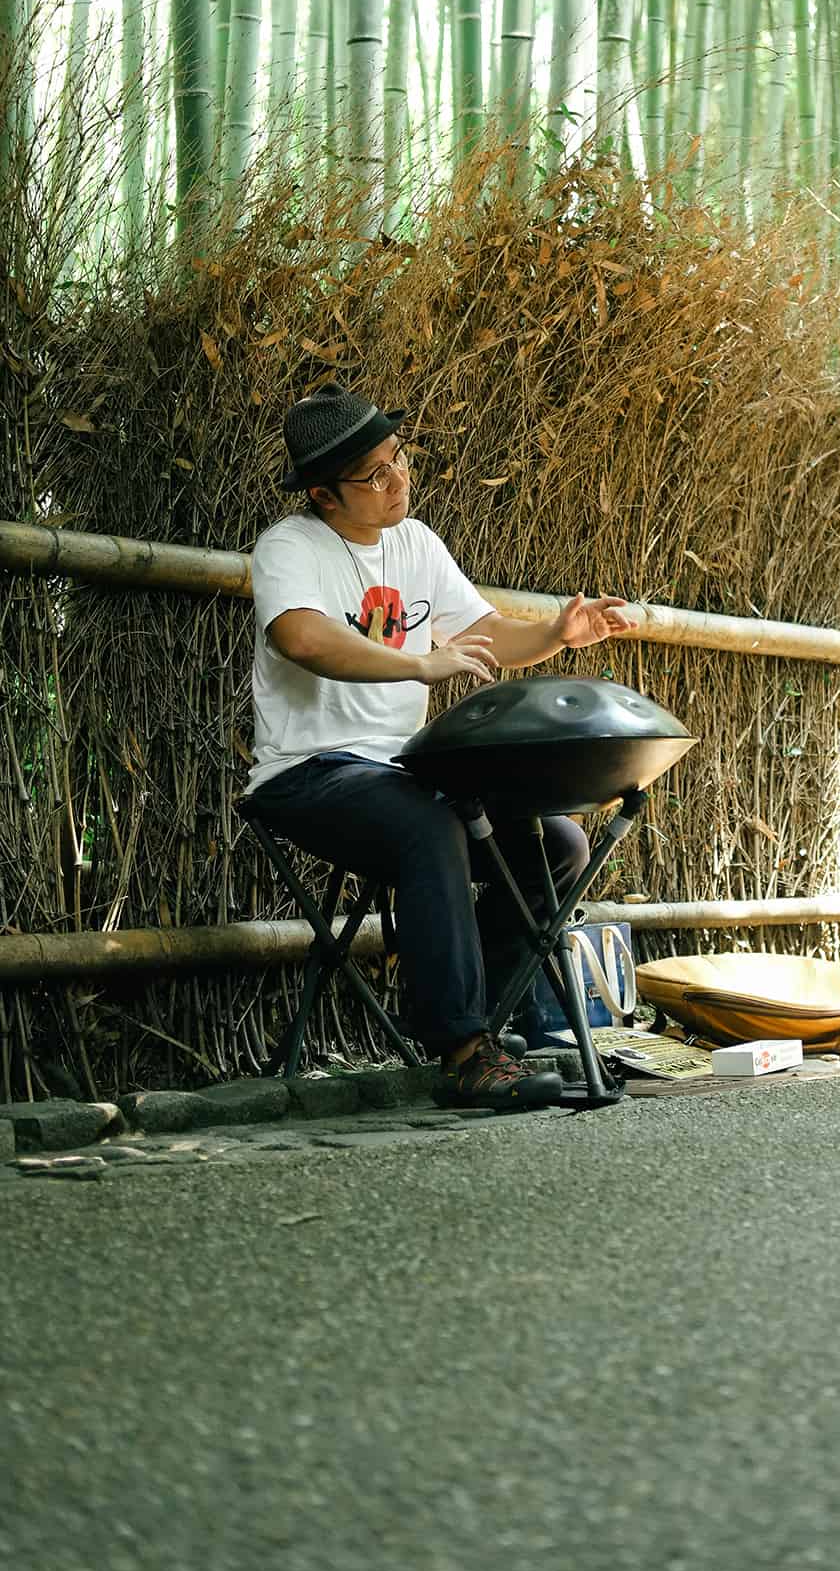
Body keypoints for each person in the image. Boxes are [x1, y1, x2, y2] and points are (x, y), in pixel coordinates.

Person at [243, 383, 636, 1109]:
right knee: (431, 824)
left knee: (558, 844)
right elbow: (303, 637)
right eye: (375, 475)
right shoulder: (288, 547)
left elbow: (486, 634)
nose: (398, 480)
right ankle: (461, 1053)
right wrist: (419, 663)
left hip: (402, 772)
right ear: (324, 495)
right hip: (309, 772)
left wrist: (557, 632)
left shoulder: (416, 542)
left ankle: (487, 1020)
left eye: (399, 459)